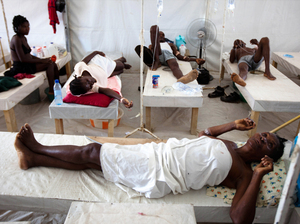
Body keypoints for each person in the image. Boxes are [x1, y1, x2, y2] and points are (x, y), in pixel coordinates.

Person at [14, 118, 286, 224]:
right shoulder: (230, 144)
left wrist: (260, 175)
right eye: (264, 134)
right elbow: (204, 135)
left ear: (265, 156)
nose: (262, 137)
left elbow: (240, 219)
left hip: (158, 172)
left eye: (268, 143)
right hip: (156, 153)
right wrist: (232, 125)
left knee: (92, 153)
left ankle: (37, 147)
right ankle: (33, 159)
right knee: (92, 160)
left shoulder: (245, 174)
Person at [8, 15, 59, 95]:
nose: (27, 28)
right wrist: (43, 61)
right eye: (24, 27)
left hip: (27, 63)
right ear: (17, 27)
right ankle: (52, 90)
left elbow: (29, 55)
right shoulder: (16, 39)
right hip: (21, 67)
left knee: (53, 63)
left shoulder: (23, 38)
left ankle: (57, 86)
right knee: (50, 65)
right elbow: (23, 59)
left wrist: (44, 59)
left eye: (28, 26)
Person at [137, 25, 206, 84]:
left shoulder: (170, 44)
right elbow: (151, 54)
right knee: (153, 49)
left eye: (162, 35)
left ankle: (182, 78)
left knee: (174, 66)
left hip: (168, 56)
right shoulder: (151, 45)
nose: (161, 36)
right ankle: (156, 60)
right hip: (157, 55)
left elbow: (179, 56)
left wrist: (195, 59)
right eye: (159, 35)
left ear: (164, 37)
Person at [68, 51, 133, 108]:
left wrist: (96, 52)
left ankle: (120, 60)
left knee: (121, 65)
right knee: (120, 71)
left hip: (99, 65)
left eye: (87, 81)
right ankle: (117, 63)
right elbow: (105, 90)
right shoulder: (89, 88)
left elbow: (85, 60)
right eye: (90, 86)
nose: (92, 82)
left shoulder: (79, 68)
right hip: (104, 74)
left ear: (80, 77)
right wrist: (121, 99)